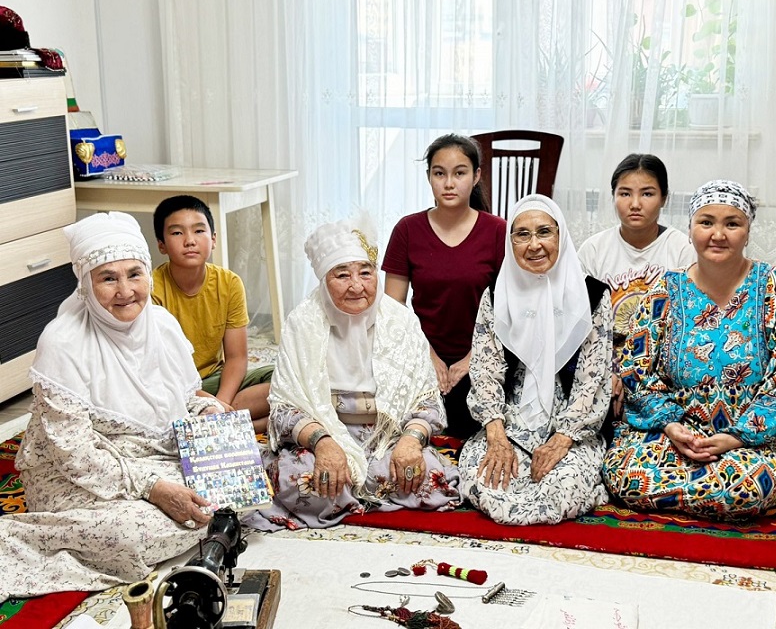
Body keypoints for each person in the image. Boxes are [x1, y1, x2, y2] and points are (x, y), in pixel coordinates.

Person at [0, 212, 219, 601]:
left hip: (154, 455)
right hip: (78, 476)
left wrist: (210, 414)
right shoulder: (63, 341)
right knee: (130, 535)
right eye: (108, 278)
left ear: (148, 274)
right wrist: (153, 488)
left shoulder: (163, 325)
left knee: (233, 489)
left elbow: (186, 399)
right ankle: (26, 538)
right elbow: (73, 453)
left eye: (135, 274)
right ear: (85, 284)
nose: (125, 291)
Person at [602, 180, 776, 520]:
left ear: (747, 231)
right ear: (690, 229)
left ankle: (716, 487)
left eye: (732, 224)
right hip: (675, 430)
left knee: (747, 489)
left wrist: (737, 436)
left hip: (754, 437)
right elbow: (636, 370)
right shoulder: (663, 291)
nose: (718, 234)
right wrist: (670, 425)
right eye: (706, 222)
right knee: (627, 478)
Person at [246, 215, 461, 531]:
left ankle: (349, 496)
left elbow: (426, 402)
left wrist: (411, 441)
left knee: (429, 478)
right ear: (324, 280)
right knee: (301, 479)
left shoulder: (400, 321)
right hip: (326, 433)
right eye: (342, 275)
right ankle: (362, 493)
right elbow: (285, 408)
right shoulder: (303, 323)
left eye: (365, 272)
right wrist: (323, 443)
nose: (357, 286)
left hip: (386, 437)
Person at [458, 194, 612, 526]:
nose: (534, 245)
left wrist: (562, 439)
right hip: (508, 424)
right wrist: (496, 435)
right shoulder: (496, 294)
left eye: (544, 232)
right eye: (522, 234)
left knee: (563, 487)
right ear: (510, 241)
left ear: (561, 235)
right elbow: (485, 370)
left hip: (570, 429)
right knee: (481, 478)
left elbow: (593, 380)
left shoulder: (592, 296)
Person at [383, 134, 507, 439]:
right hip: (420, 350)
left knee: (470, 421)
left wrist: (473, 359)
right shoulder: (407, 229)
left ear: (476, 176)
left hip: (482, 354)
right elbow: (392, 309)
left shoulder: (498, 231)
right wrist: (428, 355)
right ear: (429, 177)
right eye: (439, 174)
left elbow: (510, 309)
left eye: (459, 173)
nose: (449, 183)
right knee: (398, 417)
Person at [578, 154, 695, 419]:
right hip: (605, 361)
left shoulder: (682, 249)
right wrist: (609, 372)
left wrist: (635, 375)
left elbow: (687, 327)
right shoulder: (593, 250)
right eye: (625, 193)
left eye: (647, 194)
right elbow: (584, 325)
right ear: (613, 196)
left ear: (664, 198)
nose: (635, 204)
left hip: (662, 368)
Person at [152, 195, 273, 433]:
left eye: (199, 231)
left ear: (213, 239)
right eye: (177, 233)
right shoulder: (151, 289)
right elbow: (158, 369)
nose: (189, 241)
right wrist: (207, 403)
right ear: (161, 245)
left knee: (282, 379)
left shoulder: (229, 283)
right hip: (173, 387)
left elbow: (237, 357)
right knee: (153, 405)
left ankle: (218, 423)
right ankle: (248, 425)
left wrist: (219, 403)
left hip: (213, 382)